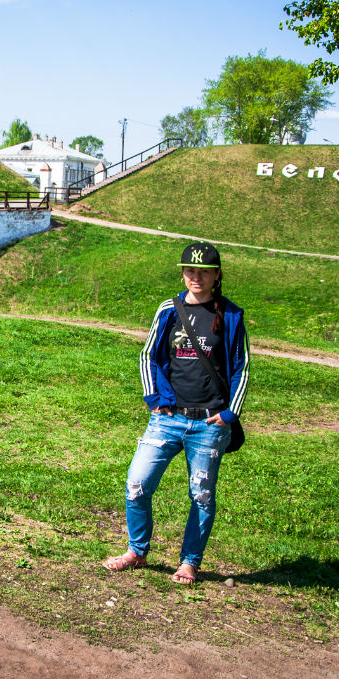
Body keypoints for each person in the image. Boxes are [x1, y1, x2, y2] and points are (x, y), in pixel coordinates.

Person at [102, 241, 250, 584]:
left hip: (209, 423)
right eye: (189, 270)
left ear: (217, 275)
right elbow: (148, 355)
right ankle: (137, 552)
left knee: (201, 494)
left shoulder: (230, 315)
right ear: (183, 273)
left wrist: (230, 414)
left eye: (204, 271)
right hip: (167, 418)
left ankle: (189, 562)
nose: (195, 277)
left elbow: (241, 367)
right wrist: (154, 397)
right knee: (137, 484)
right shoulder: (169, 309)